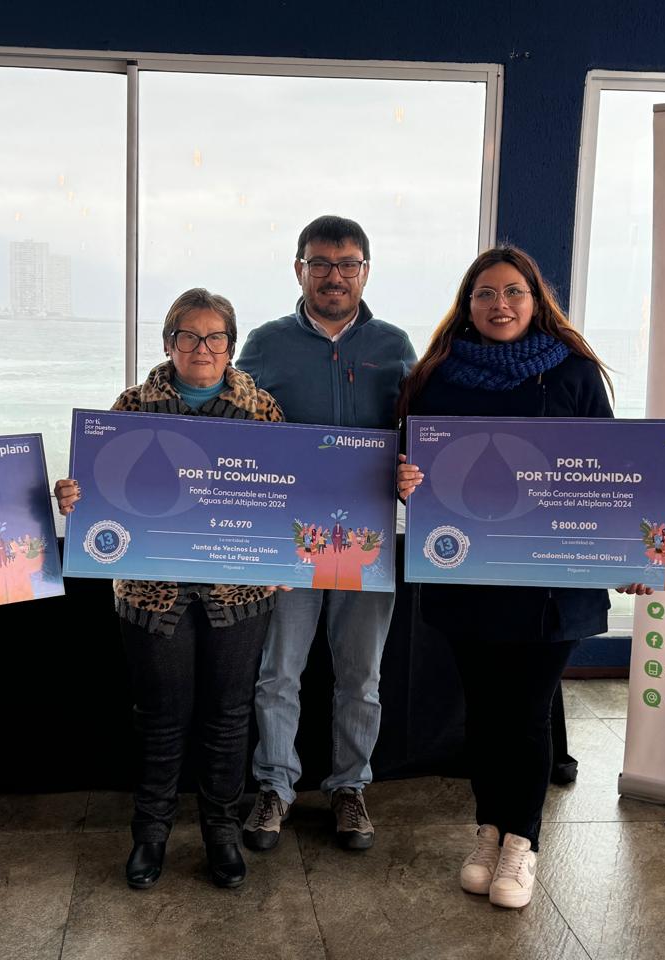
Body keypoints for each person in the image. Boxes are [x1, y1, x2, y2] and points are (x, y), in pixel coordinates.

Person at [395, 246, 651, 909]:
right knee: (483, 715)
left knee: (528, 717)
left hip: (551, 587)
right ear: (467, 304)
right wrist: (405, 480)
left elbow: (613, 473)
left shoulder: (574, 373)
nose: (500, 304)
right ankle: (488, 831)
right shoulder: (435, 377)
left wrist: (630, 556)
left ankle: (521, 844)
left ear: (536, 300)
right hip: (467, 580)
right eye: (485, 293)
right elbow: (410, 465)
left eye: (513, 291)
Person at [54, 288, 286, 890]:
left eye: (215, 337)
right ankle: (150, 835)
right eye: (189, 335)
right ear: (168, 342)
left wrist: (289, 552)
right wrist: (74, 497)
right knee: (160, 719)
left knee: (228, 719)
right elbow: (101, 486)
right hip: (152, 592)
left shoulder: (263, 410)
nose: (202, 347)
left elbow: (286, 495)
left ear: (231, 346)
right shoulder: (131, 407)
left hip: (239, 593)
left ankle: (221, 833)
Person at [237, 215, 416, 851]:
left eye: (347, 265)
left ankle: (349, 788)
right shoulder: (265, 344)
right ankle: (274, 786)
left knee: (360, 676)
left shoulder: (395, 345)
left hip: (368, 540)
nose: (333, 276)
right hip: (289, 540)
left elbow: (421, 431)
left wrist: (414, 469)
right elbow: (234, 426)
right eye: (320, 264)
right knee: (278, 673)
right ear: (300, 270)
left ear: (365, 272)